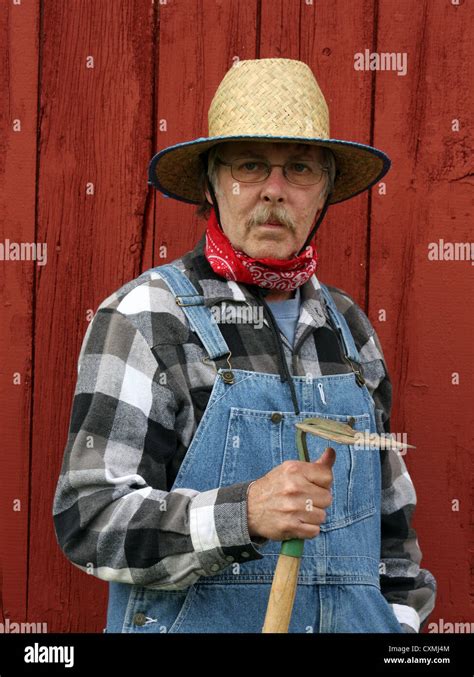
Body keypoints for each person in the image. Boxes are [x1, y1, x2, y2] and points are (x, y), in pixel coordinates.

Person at [53, 58, 436, 633]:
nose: (274, 191)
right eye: (250, 166)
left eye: (300, 169)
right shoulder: (150, 317)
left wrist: (398, 630)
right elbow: (90, 521)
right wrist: (242, 514)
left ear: (326, 190)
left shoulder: (349, 330)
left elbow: (394, 539)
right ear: (211, 182)